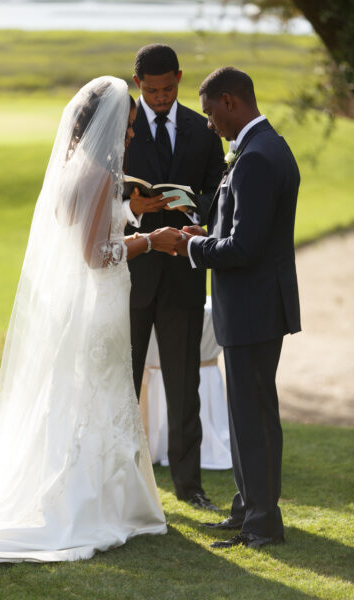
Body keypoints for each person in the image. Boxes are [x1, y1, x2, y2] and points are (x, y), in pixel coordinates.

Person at [0, 76, 182, 563]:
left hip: (89, 305)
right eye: (129, 126)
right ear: (112, 122)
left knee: (86, 398)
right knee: (98, 398)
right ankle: (91, 506)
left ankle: (101, 498)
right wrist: (152, 240)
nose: (132, 136)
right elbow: (96, 255)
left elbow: (88, 227)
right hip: (99, 304)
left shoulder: (73, 168)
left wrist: (127, 208)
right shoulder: (98, 175)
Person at [177, 67, 301, 548]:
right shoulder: (266, 146)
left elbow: (244, 248)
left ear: (230, 101)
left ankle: (261, 524)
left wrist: (192, 249)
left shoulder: (255, 157)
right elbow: (244, 234)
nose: (209, 124)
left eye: (210, 113)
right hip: (256, 306)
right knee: (250, 413)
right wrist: (206, 237)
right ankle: (249, 509)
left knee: (252, 416)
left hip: (253, 307)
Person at [124, 44, 225, 510]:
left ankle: (189, 485)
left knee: (185, 385)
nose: (161, 98)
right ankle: (122, 481)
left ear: (180, 78)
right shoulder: (119, 129)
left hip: (184, 274)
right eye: (152, 90)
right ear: (138, 82)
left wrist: (193, 211)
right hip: (129, 276)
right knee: (121, 381)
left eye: (168, 89)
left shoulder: (203, 131)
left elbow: (219, 196)